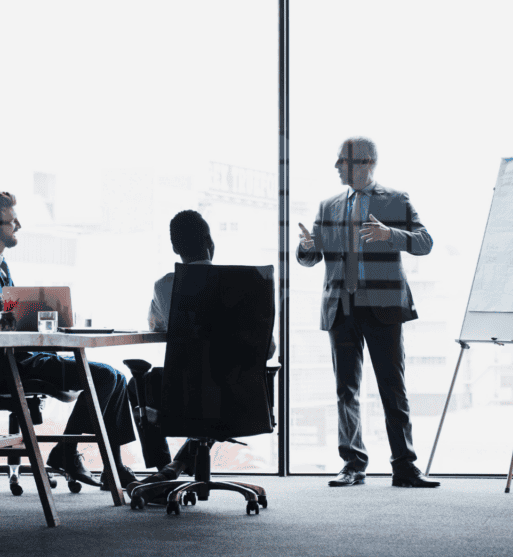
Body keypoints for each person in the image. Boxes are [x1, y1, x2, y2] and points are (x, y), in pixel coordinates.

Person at [0, 189, 138, 489]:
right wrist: (32, 322)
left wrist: (38, 315)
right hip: (9, 367)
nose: (19, 226)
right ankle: (68, 451)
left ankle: (108, 465)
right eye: (12, 221)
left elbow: (6, 314)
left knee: (115, 377)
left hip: (22, 358)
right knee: (105, 376)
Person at [297, 137, 439, 488]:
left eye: (341, 161)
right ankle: (352, 464)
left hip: (383, 307)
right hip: (341, 308)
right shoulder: (328, 206)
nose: (336, 166)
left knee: (393, 389)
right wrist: (306, 247)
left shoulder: (396, 200)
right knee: (346, 390)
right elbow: (311, 258)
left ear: (365, 163)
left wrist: (390, 234)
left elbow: (425, 242)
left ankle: (404, 467)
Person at [131, 210, 276, 484]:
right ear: (210, 243)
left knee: (137, 385)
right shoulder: (248, 283)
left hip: (185, 392)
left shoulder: (165, 285)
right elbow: (268, 350)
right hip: (241, 394)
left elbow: (156, 325)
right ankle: (174, 467)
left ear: (175, 249)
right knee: (214, 399)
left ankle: (164, 470)